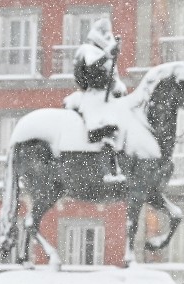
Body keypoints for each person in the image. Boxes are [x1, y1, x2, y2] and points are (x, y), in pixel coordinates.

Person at [65, 18, 127, 182]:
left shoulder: (107, 55)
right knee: (106, 127)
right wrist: (107, 54)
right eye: (105, 33)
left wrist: (119, 88)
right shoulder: (87, 50)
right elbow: (91, 67)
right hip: (93, 96)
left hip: (109, 98)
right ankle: (108, 170)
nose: (108, 36)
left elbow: (114, 79)